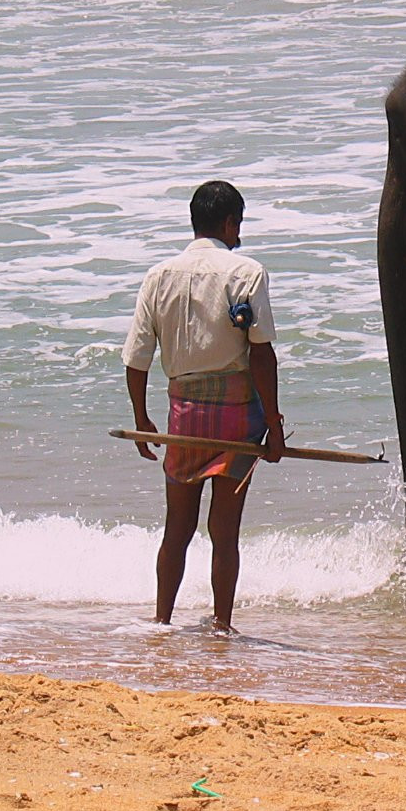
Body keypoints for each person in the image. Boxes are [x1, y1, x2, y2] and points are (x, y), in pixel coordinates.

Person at [121, 180, 285, 633]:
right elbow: (261, 353)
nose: (240, 236)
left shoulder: (159, 276)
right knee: (224, 531)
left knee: (178, 527)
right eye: (239, 226)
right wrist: (273, 424)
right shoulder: (247, 272)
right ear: (230, 222)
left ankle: (161, 620)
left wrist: (142, 417)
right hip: (236, 416)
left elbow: (136, 359)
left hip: (184, 416)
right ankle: (221, 625)